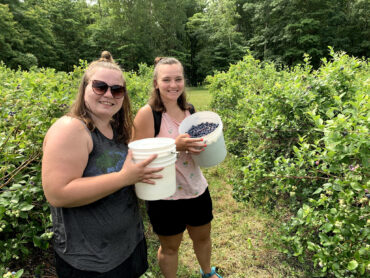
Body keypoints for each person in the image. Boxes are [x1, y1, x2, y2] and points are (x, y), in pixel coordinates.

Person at [41, 51, 163, 278]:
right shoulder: (71, 129)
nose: (109, 94)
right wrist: (124, 178)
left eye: (117, 90)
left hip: (127, 246)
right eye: (100, 87)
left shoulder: (116, 128)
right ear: (85, 87)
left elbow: (124, 176)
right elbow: (58, 193)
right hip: (90, 260)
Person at [133, 57, 222, 278]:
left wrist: (202, 147)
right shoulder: (148, 114)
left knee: (202, 238)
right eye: (166, 80)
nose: (173, 85)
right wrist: (175, 146)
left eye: (178, 79)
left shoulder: (190, 110)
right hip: (165, 197)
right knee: (170, 247)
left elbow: (194, 146)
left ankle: (206, 273)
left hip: (196, 189)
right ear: (156, 83)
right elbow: (138, 155)